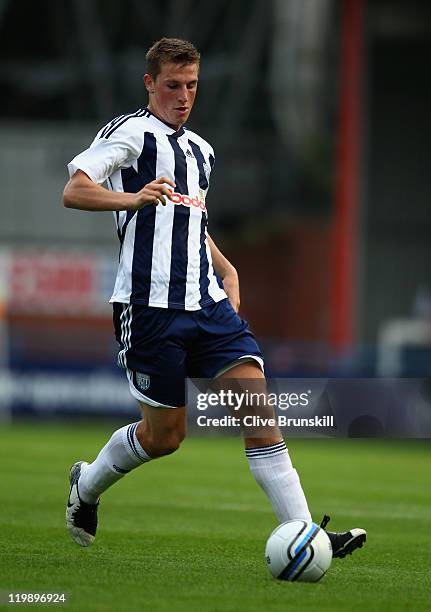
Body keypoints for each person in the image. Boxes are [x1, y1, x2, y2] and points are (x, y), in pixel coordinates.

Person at [63, 37, 366, 560]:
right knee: (165, 437)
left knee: (258, 411)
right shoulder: (129, 134)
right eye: (174, 85)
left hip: (207, 303)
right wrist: (132, 196)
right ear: (150, 84)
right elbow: (75, 189)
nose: (184, 96)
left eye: (192, 86)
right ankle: (86, 486)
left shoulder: (201, 151)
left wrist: (225, 266)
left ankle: (305, 534)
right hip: (149, 307)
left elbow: (191, 221)